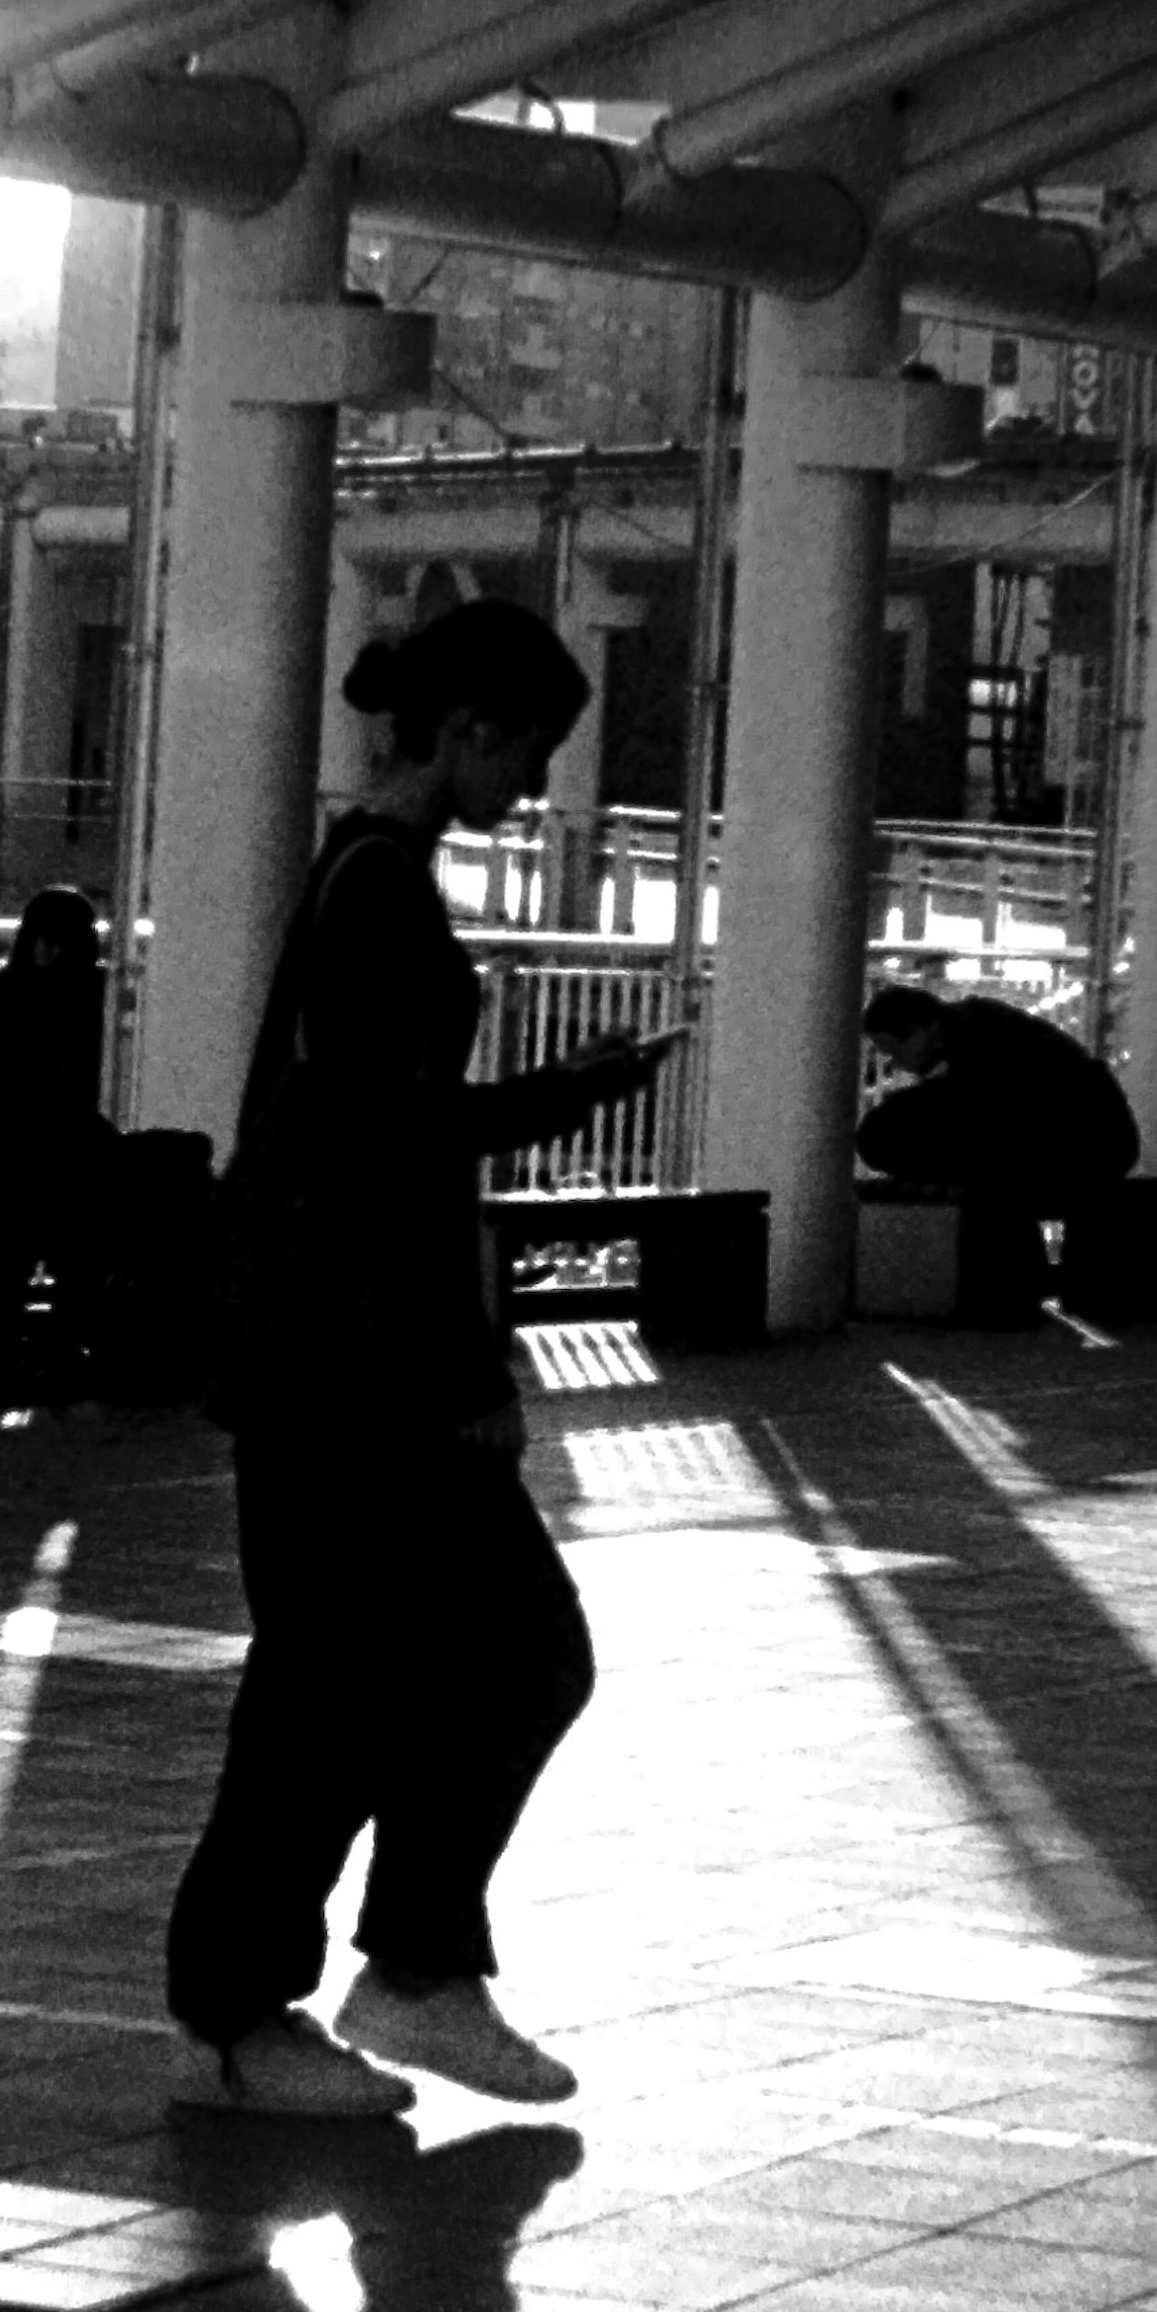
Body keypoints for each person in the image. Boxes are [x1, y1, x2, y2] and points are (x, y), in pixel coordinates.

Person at [166, 598, 686, 2120]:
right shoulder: (384, 891)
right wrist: (466, 1375)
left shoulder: (364, 874)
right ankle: (311, 1995)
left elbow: (375, 1133)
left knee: (358, 1674)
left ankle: (338, 1989)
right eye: (528, 748)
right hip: (359, 1367)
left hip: (327, 1360)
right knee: (445, 1663)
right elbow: (382, 1155)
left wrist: (547, 1099)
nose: (532, 780)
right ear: (465, 728)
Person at [856, 978, 1140, 1323]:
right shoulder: (980, 1031)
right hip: (1094, 1141)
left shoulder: (980, 1047)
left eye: (894, 1051)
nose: (896, 1064)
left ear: (919, 1030)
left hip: (1086, 1147)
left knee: (884, 1132)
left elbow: (984, 1115)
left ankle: (1008, 1289)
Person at [0, 882, 115, 1402]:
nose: (53, 952)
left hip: (10, 1150)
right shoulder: (93, 1001)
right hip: (50, 1148)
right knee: (73, 1212)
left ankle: (7, 1349)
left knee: (20, 1220)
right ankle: (63, 1345)